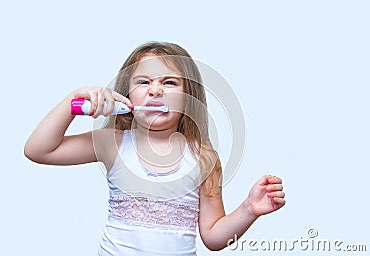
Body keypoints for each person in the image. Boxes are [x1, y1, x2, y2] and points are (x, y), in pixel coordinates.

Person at [24, 42, 285, 255]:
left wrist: (248, 210)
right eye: (143, 82)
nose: (155, 91)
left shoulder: (204, 158)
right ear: (126, 96)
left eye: (170, 83)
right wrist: (73, 100)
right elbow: (39, 150)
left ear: (188, 97)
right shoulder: (112, 143)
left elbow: (213, 238)